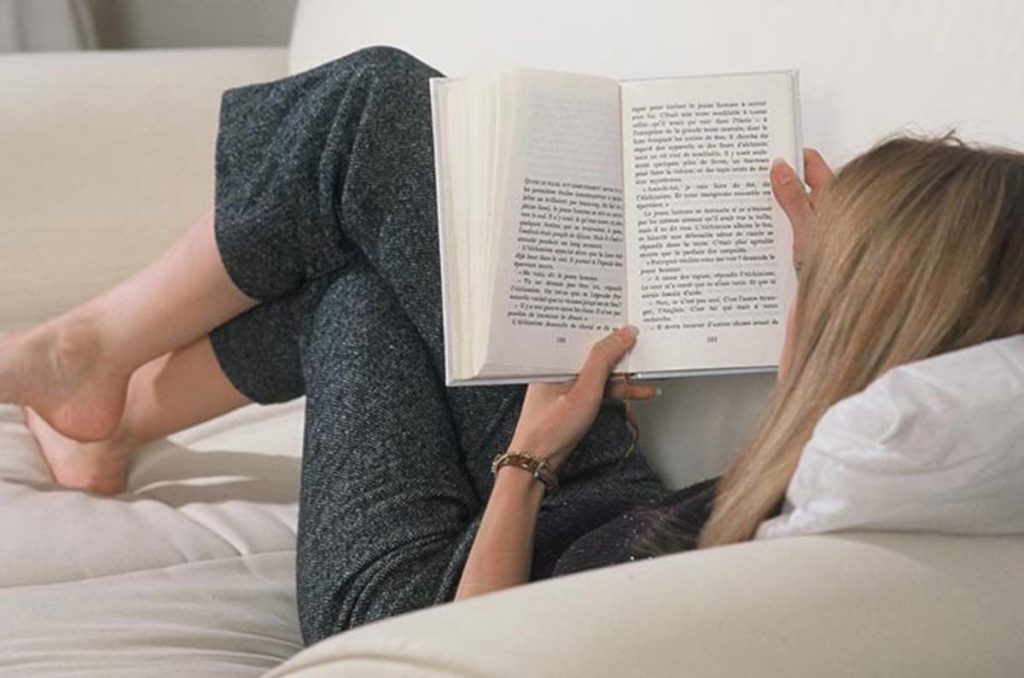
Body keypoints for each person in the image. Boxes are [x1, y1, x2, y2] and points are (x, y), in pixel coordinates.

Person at [1, 47, 1022, 646]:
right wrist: (799, 275)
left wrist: (528, 460)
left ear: (877, 313)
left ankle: (91, 356)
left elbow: (494, 640)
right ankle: (115, 415)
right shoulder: (878, 443)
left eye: (835, 273)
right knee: (377, 204)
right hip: (582, 480)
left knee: (376, 124)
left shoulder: (857, 475)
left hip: (431, 587)